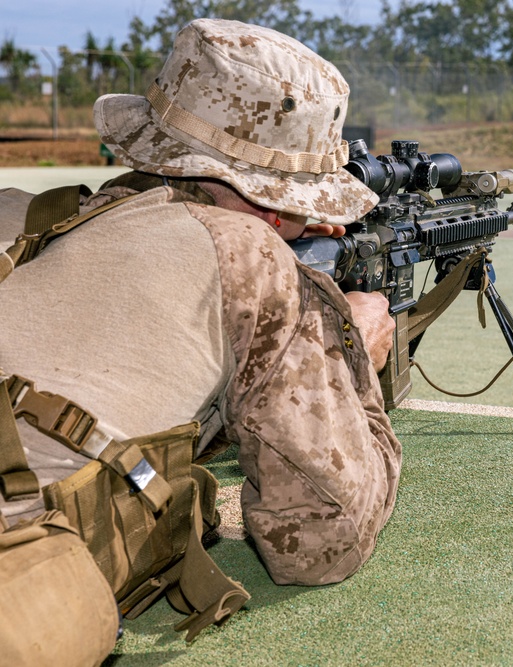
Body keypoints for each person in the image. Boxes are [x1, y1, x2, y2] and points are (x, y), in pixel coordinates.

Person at [0, 18, 401, 586]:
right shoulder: (249, 252)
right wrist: (348, 358)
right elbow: (321, 539)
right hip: (23, 570)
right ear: (272, 207)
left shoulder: (20, 215)